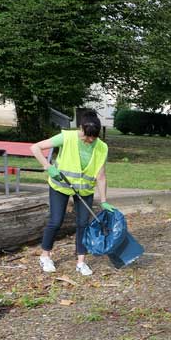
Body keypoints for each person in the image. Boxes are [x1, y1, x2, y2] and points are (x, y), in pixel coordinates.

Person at [30, 111, 112, 276]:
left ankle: (81, 262)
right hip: (60, 185)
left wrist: (103, 200)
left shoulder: (102, 147)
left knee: (83, 224)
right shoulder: (66, 137)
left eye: (93, 138)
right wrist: (48, 166)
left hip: (84, 189)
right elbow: (35, 147)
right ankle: (45, 256)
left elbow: (101, 175)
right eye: (86, 136)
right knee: (56, 221)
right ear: (80, 128)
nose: (89, 141)